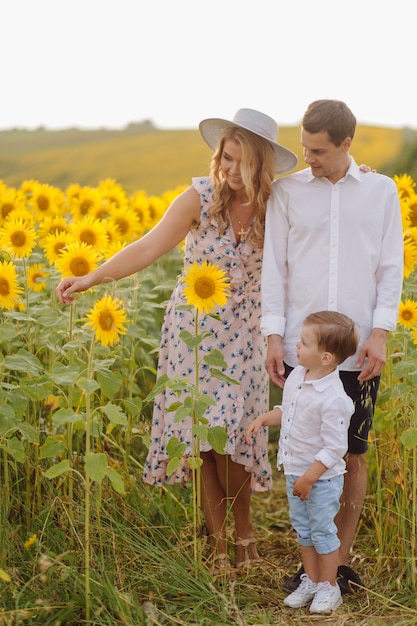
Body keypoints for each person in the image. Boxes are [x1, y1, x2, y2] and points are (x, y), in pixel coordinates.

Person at [55, 108, 298, 573]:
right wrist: (91, 278)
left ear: (261, 165)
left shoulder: (280, 203)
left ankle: (245, 534)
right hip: (194, 332)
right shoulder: (200, 197)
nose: (228, 169)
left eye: (239, 162)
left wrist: (360, 174)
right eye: (223, 157)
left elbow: (326, 202)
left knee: (239, 435)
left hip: (248, 334)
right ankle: (219, 545)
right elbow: (147, 246)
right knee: (204, 438)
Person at [261, 99, 404, 594]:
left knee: (351, 452)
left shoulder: (383, 192)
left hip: (360, 348)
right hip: (304, 352)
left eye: (319, 150)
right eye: (304, 147)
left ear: (347, 143)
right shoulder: (287, 193)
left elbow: (391, 266)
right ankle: (312, 565)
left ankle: (335, 565)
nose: (308, 159)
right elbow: (273, 269)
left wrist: (381, 333)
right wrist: (273, 336)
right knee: (304, 455)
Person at [246, 311, 359, 614]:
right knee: (303, 530)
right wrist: (264, 419)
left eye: (304, 342)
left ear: (325, 357)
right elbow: (289, 411)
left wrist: (310, 478)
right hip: (296, 469)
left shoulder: (335, 397)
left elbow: (336, 446)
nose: (296, 345)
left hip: (319, 478)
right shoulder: (298, 375)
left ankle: (329, 586)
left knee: (323, 531)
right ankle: (310, 579)